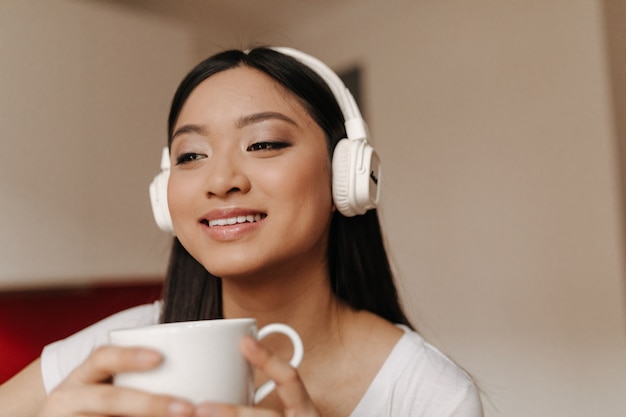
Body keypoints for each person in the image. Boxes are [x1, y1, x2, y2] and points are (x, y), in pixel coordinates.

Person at [0, 46, 483, 417]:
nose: (220, 180)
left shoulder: (429, 395)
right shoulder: (120, 351)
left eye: (264, 143)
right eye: (191, 156)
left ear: (346, 176)